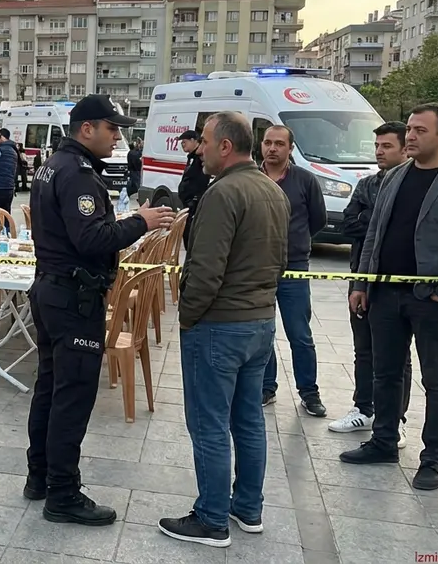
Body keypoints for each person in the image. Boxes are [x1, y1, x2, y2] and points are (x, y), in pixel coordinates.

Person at [25, 95, 174, 526]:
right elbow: (91, 239)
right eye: (112, 128)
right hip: (74, 298)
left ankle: (40, 477)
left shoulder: (55, 164)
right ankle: (63, 494)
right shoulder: (77, 173)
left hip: (54, 291)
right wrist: (141, 222)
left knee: (51, 389)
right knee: (71, 396)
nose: (118, 137)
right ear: (87, 128)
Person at [342, 103, 438, 491]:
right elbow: (375, 231)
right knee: (386, 373)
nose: (410, 136)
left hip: (433, 301)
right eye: (409, 128)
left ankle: (433, 460)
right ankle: (384, 441)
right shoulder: (395, 176)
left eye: (420, 130)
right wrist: (362, 283)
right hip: (386, 294)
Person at [159, 111, 288, 548]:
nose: (202, 149)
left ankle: (211, 518)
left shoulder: (223, 193)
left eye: (207, 142)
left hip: (219, 326)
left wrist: (188, 315)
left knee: (209, 422)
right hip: (258, 324)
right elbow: (279, 261)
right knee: (248, 419)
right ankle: (247, 507)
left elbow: (205, 270)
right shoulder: (272, 190)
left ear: (226, 146)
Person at [331, 121, 413, 440]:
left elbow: (404, 230)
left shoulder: (413, 185)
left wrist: (375, 219)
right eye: (377, 145)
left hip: (398, 284)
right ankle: (363, 408)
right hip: (363, 277)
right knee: (363, 348)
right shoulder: (367, 184)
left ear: (405, 148)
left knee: (397, 354)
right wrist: (377, 218)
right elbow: (348, 224)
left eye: (386, 146)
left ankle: (396, 418)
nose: (379, 151)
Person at [258, 125, 327, 416]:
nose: (272, 148)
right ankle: (266, 387)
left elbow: (318, 219)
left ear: (290, 148)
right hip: (257, 267)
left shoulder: (305, 180)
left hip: (294, 268)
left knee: (299, 334)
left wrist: (296, 243)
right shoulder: (251, 178)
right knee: (262, 331)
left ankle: (309, 392)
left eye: (279, 144)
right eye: (267, 143)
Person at [177, 129, 209, 250]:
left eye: (184, 142)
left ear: (193, 140)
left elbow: (200, 179)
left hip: (195, 203)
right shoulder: (191, 157)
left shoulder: (200, 158)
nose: (182, 145)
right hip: (188, 203)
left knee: (191, 236)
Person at [126, 137, 143, 201]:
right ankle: (139, 196)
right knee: (138, 184)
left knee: (132, 184)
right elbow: (137, 160)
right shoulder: (135, 153)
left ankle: (128, 194)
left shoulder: (130, 153)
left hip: (131, 171)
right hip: (136, 171)